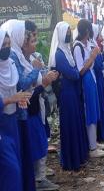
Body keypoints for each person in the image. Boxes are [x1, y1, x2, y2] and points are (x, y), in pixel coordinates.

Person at [3, 19, 60, 190]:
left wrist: (42, 77)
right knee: (16, 159)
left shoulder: (17, 57)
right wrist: (38, 74)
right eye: (30, 37)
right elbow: (22, 84)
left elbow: (27, 84)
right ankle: (37, 178)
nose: (32, 41)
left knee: (34, 146)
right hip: (13, 116)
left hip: (20, 111)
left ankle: (35, 178)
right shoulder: (13, 57)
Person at [48, 21, 90, 171]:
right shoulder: (59, 54)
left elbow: (75, 72)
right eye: (65, 32)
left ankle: (79, 156)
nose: (68, 35)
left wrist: (77, 72)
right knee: (70, 125)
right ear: (60, 34)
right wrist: (77, 72)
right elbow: (73, 73)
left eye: (68, 32)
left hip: (73, 91)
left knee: (77, 123)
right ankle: (71, 160)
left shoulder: (67, 50)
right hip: (66, 94)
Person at [0, 26, 32, 191]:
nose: (6, 48)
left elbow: (16, 88)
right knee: (11, 171)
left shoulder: (10, 64)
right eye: (2, 45)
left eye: (7, 44)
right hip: (2, 127)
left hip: (14, 122)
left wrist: (19, 100)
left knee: (16, 167)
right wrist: (10, 99)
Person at [73, 19, 104, 158]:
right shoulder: (77, 47)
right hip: (86, 80)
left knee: (95, 110)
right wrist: (92, 57)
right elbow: (81, 70)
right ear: (87, 31)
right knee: (90, 112)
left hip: (91, 79)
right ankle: (92, 148)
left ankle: (94, 142)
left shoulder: (86, 44)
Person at [90, 24, 104, 142]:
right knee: (99, 105)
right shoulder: (92, 45)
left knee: (102, 104)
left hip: (99, 77)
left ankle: (103, 133)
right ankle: (99, 135)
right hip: (96, 78)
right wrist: (102, 65)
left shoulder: (94, 44)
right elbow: (96, 64)